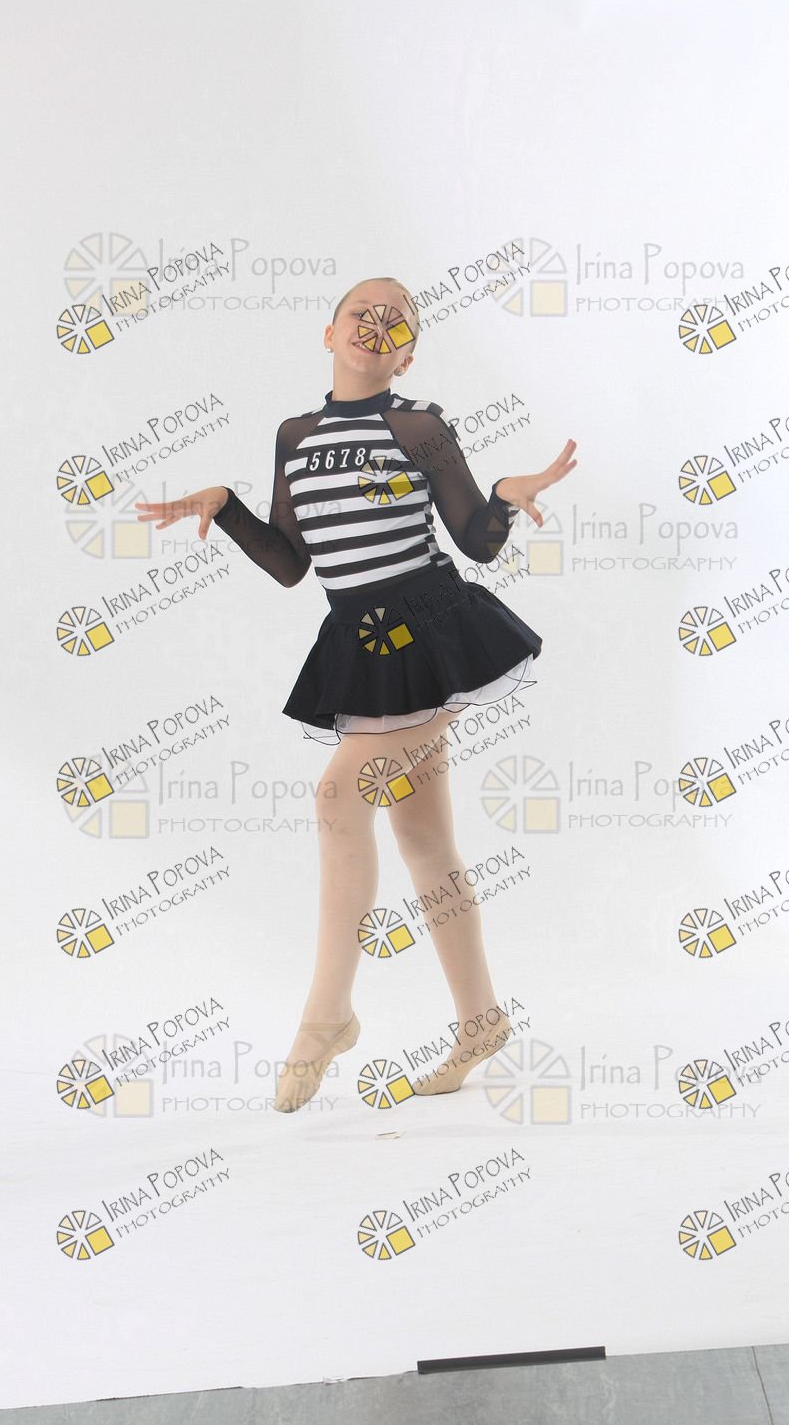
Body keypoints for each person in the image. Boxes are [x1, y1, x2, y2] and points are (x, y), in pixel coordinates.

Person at [135, 276, 577, 1113]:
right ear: (328, 332)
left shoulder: (418, 425)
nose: (376, 327)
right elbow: (291, 563)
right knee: (423, 838)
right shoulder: (295, 436)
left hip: (432, 626)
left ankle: (326, 1015)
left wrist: (506, 500)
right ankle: (481, 1020)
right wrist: (225, 507)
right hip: (361, 639)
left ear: (407, 352)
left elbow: (476, 542)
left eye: (395, 322)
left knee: (340, 796)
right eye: (360, 315)